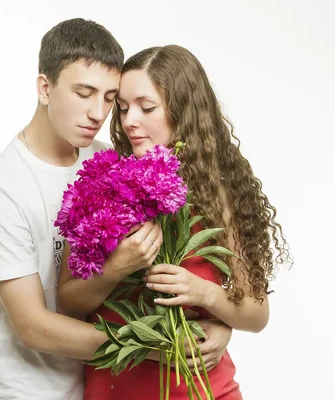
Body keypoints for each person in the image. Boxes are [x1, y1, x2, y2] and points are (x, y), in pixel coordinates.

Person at [0, 19, 231, 399]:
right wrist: (164, 345)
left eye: (109, 98)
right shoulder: (2, 188)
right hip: (25, 388)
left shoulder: (107, 159)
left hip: (99, 384)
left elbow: (141, 287)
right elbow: (34, 328)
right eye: (84, 92)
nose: (98, 112)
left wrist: (215, 328)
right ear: (45, 88)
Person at [57, 45, 291, 399]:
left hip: (209, 391)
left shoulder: (217, 198)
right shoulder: (102, 188)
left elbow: (256, 315)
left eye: (146, 107)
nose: (129, 121)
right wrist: (118, 267)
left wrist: (206, 295)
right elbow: (68, 302)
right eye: (122, 108)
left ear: (183, 112)